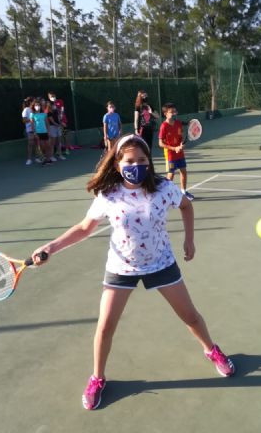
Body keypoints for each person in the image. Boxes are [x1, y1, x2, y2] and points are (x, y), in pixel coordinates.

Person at [30, 134, 235, 410]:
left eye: (141, 160)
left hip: (161, 262)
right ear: (117, 164)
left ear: (149, 162)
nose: (136, 165)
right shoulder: (108, 195)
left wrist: (190, 239)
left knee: (190, 316)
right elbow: (84, 228)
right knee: (105, 327)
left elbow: (186, 205)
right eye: (129, 161)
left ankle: (211, 350)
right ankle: (97, 378)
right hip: (121, 268)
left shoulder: (163, 188)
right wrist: (51, 247)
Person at [158, 102, 194, 201]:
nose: (174, 113)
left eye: (175, 111)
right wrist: (174, 148)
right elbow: (160, 143)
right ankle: (165, 194)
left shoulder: (178, 123)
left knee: (183, 172)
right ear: (165, 114)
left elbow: (180, 136)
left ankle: (183, 192)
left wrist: (182, 144)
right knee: (171, 174)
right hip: (170, 155)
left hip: (180, 154)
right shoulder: (164, 126)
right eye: (171, 112)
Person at [31, 98, 52, 165]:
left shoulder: (44, 114)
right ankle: (43, 159)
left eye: (38, 105)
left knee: (48, 146)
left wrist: (48, 132)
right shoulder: (32, 114)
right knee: (42, 147)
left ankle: (48, 159)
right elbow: (32, 125)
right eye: (36, 105)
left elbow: (47, 123)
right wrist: (35, 133)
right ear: (34, 107)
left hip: (45, 132)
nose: (37, 106)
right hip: (38, 133)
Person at [21, 97, 37, 165]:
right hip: (30, 129)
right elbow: (24, 120)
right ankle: (29, 159)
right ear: (31, 102)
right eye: (34, 101)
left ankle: (37, 157)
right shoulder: (26, 110)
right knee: (30, 144)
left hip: (37, 129)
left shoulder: (35, 109)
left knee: (37, 144)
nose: (35, 102)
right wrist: (31, 119)